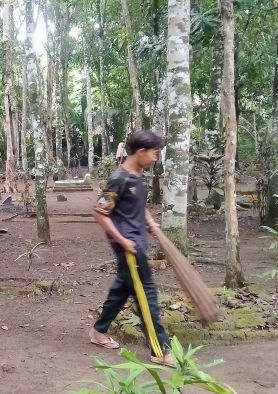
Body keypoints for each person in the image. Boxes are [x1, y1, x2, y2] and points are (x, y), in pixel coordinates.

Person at [89, 130, 174, 367]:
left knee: (122, 289)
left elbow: (135, 205)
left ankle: (98, 331)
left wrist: (147, 220)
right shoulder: (120, 179)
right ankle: (160, 350)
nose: (156, 158)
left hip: (137, 243)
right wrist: (122, 240)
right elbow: (100, 212)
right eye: (155, 153)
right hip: (129, 247)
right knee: (147, 296)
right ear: (141, 152)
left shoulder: (137, 177)